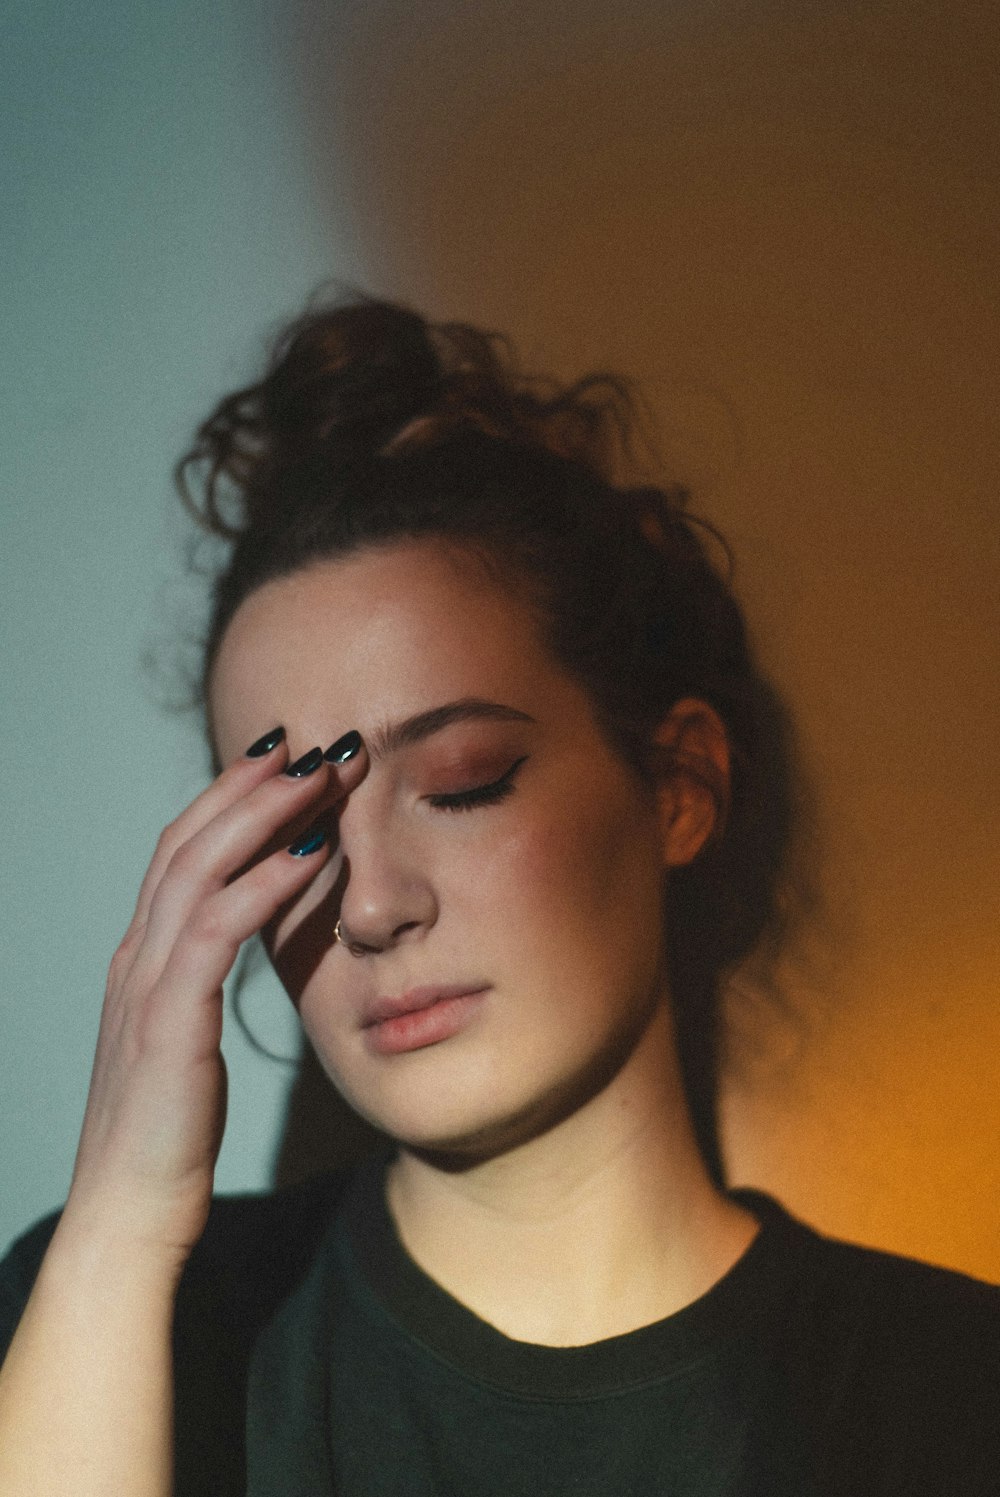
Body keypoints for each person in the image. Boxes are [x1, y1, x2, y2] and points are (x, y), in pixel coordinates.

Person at [0, 297, 997, 1496]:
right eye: (298, 836)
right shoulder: (122, 1325)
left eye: (466, 785)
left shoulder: (950, 1391)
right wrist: (116, 1220)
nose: (370, 910)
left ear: (679, 785)